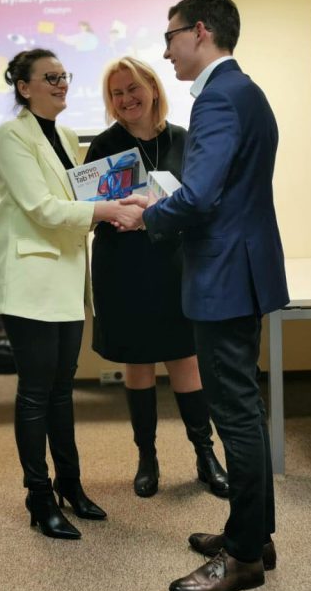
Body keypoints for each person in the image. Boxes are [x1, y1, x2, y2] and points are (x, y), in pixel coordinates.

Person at [117, 0, 288, 591]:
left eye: (170, 37)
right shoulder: (245, 91)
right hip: (242, 270)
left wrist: (148, 214)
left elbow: (202, 195)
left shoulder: (217, 97)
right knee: (246, 412)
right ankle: (255, 535)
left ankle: (241, 558)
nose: (165, 51)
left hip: (223, 277)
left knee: (236, 416)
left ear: (200, 31)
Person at [0, 48, 141, 540]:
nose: (61, 84)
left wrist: (113, 202)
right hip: (30, 283)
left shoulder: (68, 136)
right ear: (24, 87)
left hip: (68, 281)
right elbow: (42, 208)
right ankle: (39, 497)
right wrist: (108, 211)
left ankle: (70, 485)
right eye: (50, 77)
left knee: (61, 391)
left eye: (64, 76)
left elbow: (77, 199)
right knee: (36, 393)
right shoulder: (11, 135)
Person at [85, 57, 228, 500]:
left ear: (152, 87)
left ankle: (205, 456)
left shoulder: (184, 139)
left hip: (175, 264)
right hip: (123, 267)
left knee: (186, 359)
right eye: (116, 93)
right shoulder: (104, 146)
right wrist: (111, 212)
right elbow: (87, 212)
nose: (126, 99)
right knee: (138, 362)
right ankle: (147, 459)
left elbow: (202, 201)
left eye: (133, 88)